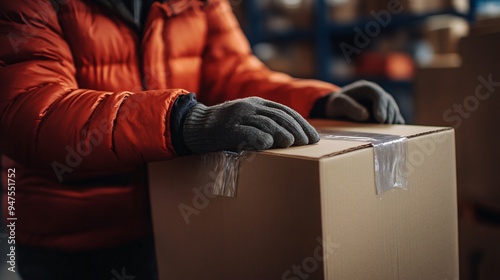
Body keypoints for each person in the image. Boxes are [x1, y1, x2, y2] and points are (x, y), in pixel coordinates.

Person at [0, 0, 404, 279]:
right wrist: (182, 121)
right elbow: (33, 111)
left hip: (174, 218)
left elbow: (236, 75)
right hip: (74, 236)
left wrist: (322, 100)